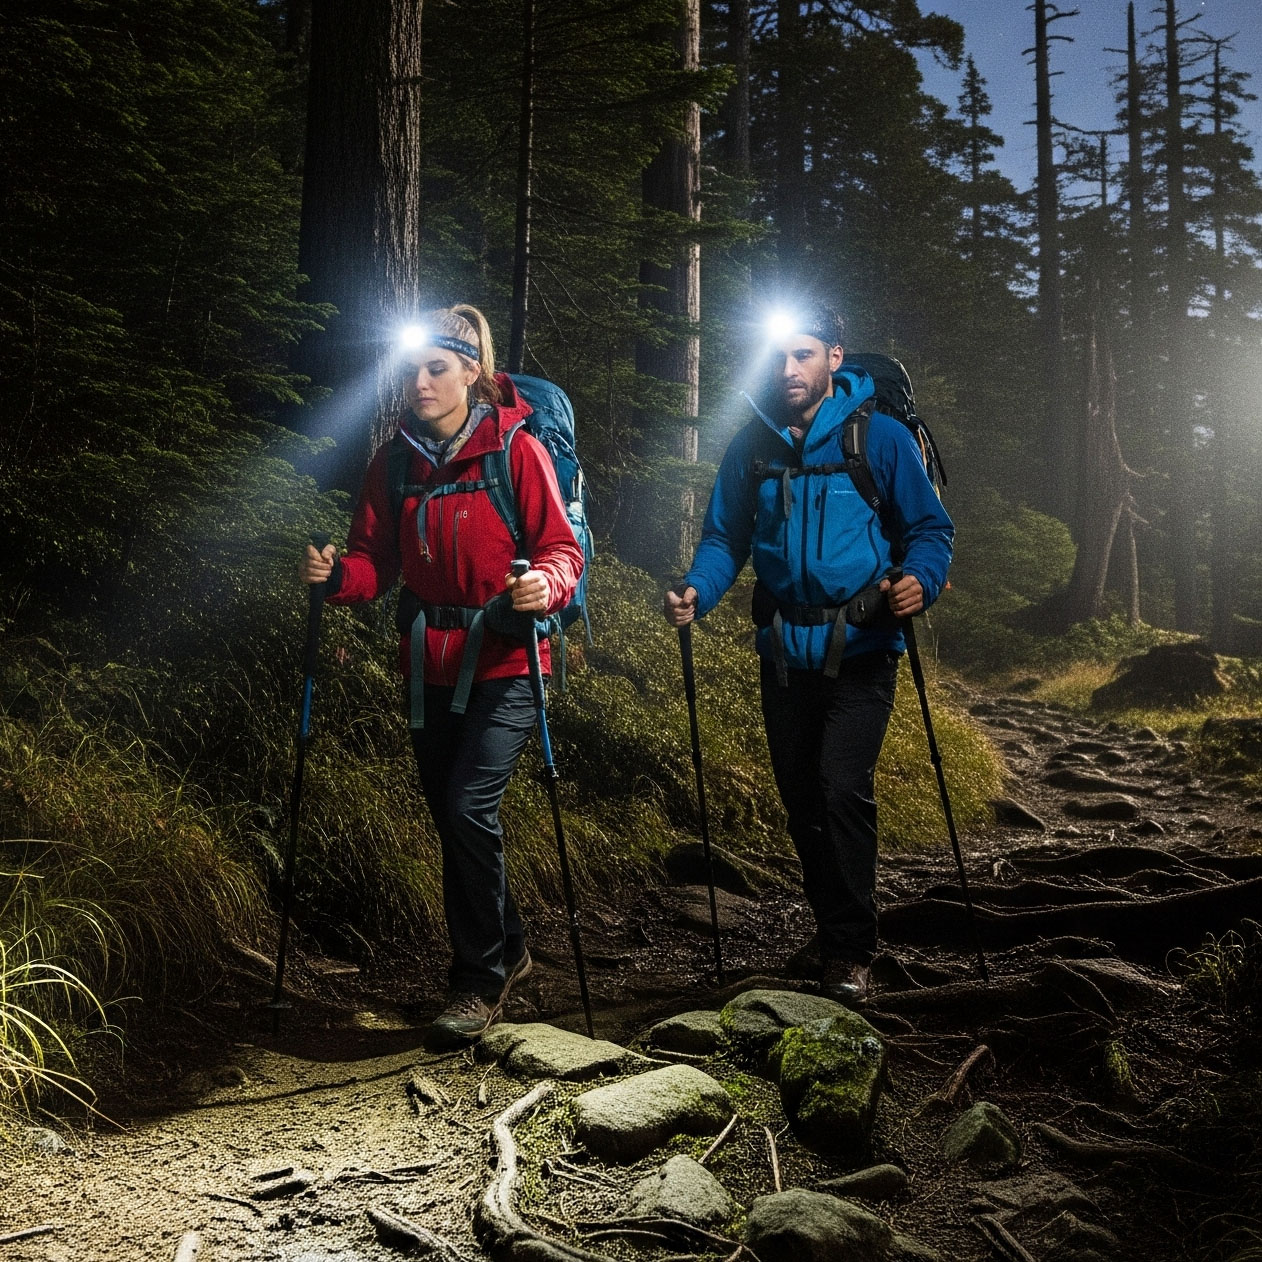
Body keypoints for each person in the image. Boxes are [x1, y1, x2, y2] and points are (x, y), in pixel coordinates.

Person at [300, 304, 584, 1047]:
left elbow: (561, 548)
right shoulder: (393, 461)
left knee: (466, 806)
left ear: (472, 373)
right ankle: (511, 945)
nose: (419, 382)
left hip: (509, 661)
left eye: (436, 368)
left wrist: (543, 588)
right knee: (454, 817)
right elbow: (375, 561)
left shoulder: (516, 451)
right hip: (428, 665)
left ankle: (478, 980)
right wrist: (337, 579)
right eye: (410, 370)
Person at [663, 302, 953, 1005]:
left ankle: (853, 951)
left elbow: (929, 529)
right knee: (801, 800)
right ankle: (832, 931)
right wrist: (698, 590)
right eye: (778, 357)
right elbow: (724, 539)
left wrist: (921, 581)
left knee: (839, 788)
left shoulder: (879, 439)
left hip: (863, 648)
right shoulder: (751, 447)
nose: (788, 369)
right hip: (784, 654)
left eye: (803, 355)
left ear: (833, 357)